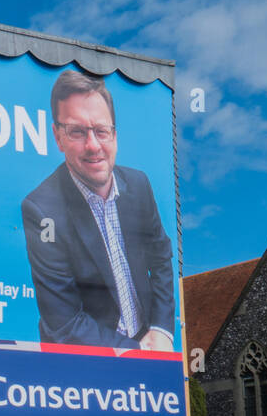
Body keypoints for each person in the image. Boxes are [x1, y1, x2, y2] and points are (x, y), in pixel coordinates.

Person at [20, 71, 175, 350]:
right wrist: (139, 352)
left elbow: (161, 256)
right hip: (86, 361)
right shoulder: (41, 210)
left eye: (101, 131)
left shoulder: (138, 185)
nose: (93, 146)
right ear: (58, 137)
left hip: (148, 339)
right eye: (77, 132)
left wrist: (161, 329)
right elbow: (64, 323)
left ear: (114, 134)